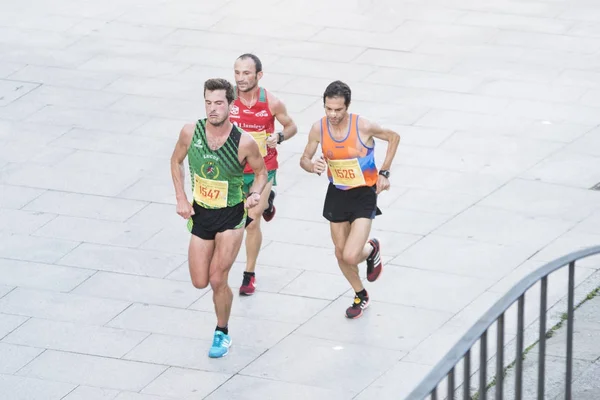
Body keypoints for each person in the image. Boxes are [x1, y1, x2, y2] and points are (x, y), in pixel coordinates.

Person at [170, 78, 268, 358]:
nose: (213, 109)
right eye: (208, 103)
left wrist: (256, 193)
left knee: (216, 279)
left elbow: (260, 173)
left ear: (231, 105)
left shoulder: (244, 142)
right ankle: (221, 302)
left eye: (219, 103)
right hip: (201, 214)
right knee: (199, 281)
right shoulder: (191, 132)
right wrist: (180, 197)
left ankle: (221, 332)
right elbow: (175, 160)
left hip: (231, 216)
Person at [299, 80, 400, 319]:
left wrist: (384, 172)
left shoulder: (363, 126)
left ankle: (371, 248)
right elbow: (304, 158)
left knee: (352, 255)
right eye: (328, 109)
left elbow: (394, 137)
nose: (333, 114)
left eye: (338, 109)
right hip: (337, 193)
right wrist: (312, 166)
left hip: (364, 193)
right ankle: (360, 294)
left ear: (348, 106)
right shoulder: (319, 128)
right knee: (340, 253)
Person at [231, 53, 298, 296]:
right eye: (237, 72)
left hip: (263, 169)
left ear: (259, 75)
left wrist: (278, 137)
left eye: (246, 73)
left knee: (251, 220)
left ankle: (249, 274)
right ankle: (268, 202)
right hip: (236, 171)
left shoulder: (271, 102)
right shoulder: (228, 100)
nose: (240, 78)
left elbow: (291, 126)